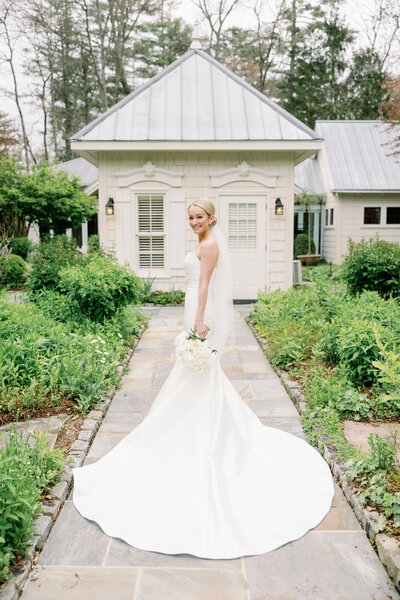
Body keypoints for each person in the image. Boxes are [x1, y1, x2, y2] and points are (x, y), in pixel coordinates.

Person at [72, 198, 334, 560]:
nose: (194, 221)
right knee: (195, 372)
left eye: (200, 217)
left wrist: (198, 320)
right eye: (191, 217)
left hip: (200, 312)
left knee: (197, 370)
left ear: (212, 218)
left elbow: (206, 285)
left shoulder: (210, 245)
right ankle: (190, 422)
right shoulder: (202, 241)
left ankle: (200, 431)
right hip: (192, 309)